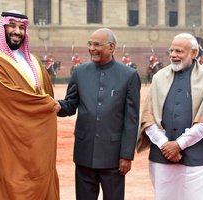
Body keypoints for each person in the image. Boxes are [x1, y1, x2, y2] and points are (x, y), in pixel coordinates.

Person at [0, 10, 60, 200]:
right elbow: (9, 96)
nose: (17, 31)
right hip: (6, 143)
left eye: (22, 28)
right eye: (12, 26)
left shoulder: (35, 62)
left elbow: (47, 94)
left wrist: (50, 105)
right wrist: (47, 104)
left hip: (38, 146)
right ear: (2, 27)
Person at [137, 33, 203, 200]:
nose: (173, 55)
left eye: (179, 51)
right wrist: (165, 145)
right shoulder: (159, 78)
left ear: (193, 53)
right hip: (162, 157)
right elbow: (148, 118)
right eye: (171, 51)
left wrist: (179, 145)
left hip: (197, 160)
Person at [57, 28, 141, 200]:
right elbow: (70, 105)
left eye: (97, 44)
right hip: (84, 153)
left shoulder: (129, 75)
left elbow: (131, 119)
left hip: (114, 157)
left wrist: (126, 155)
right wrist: (56, 106)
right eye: (90, 44)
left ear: (111, 47)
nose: (91, 48)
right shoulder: (79, 72)